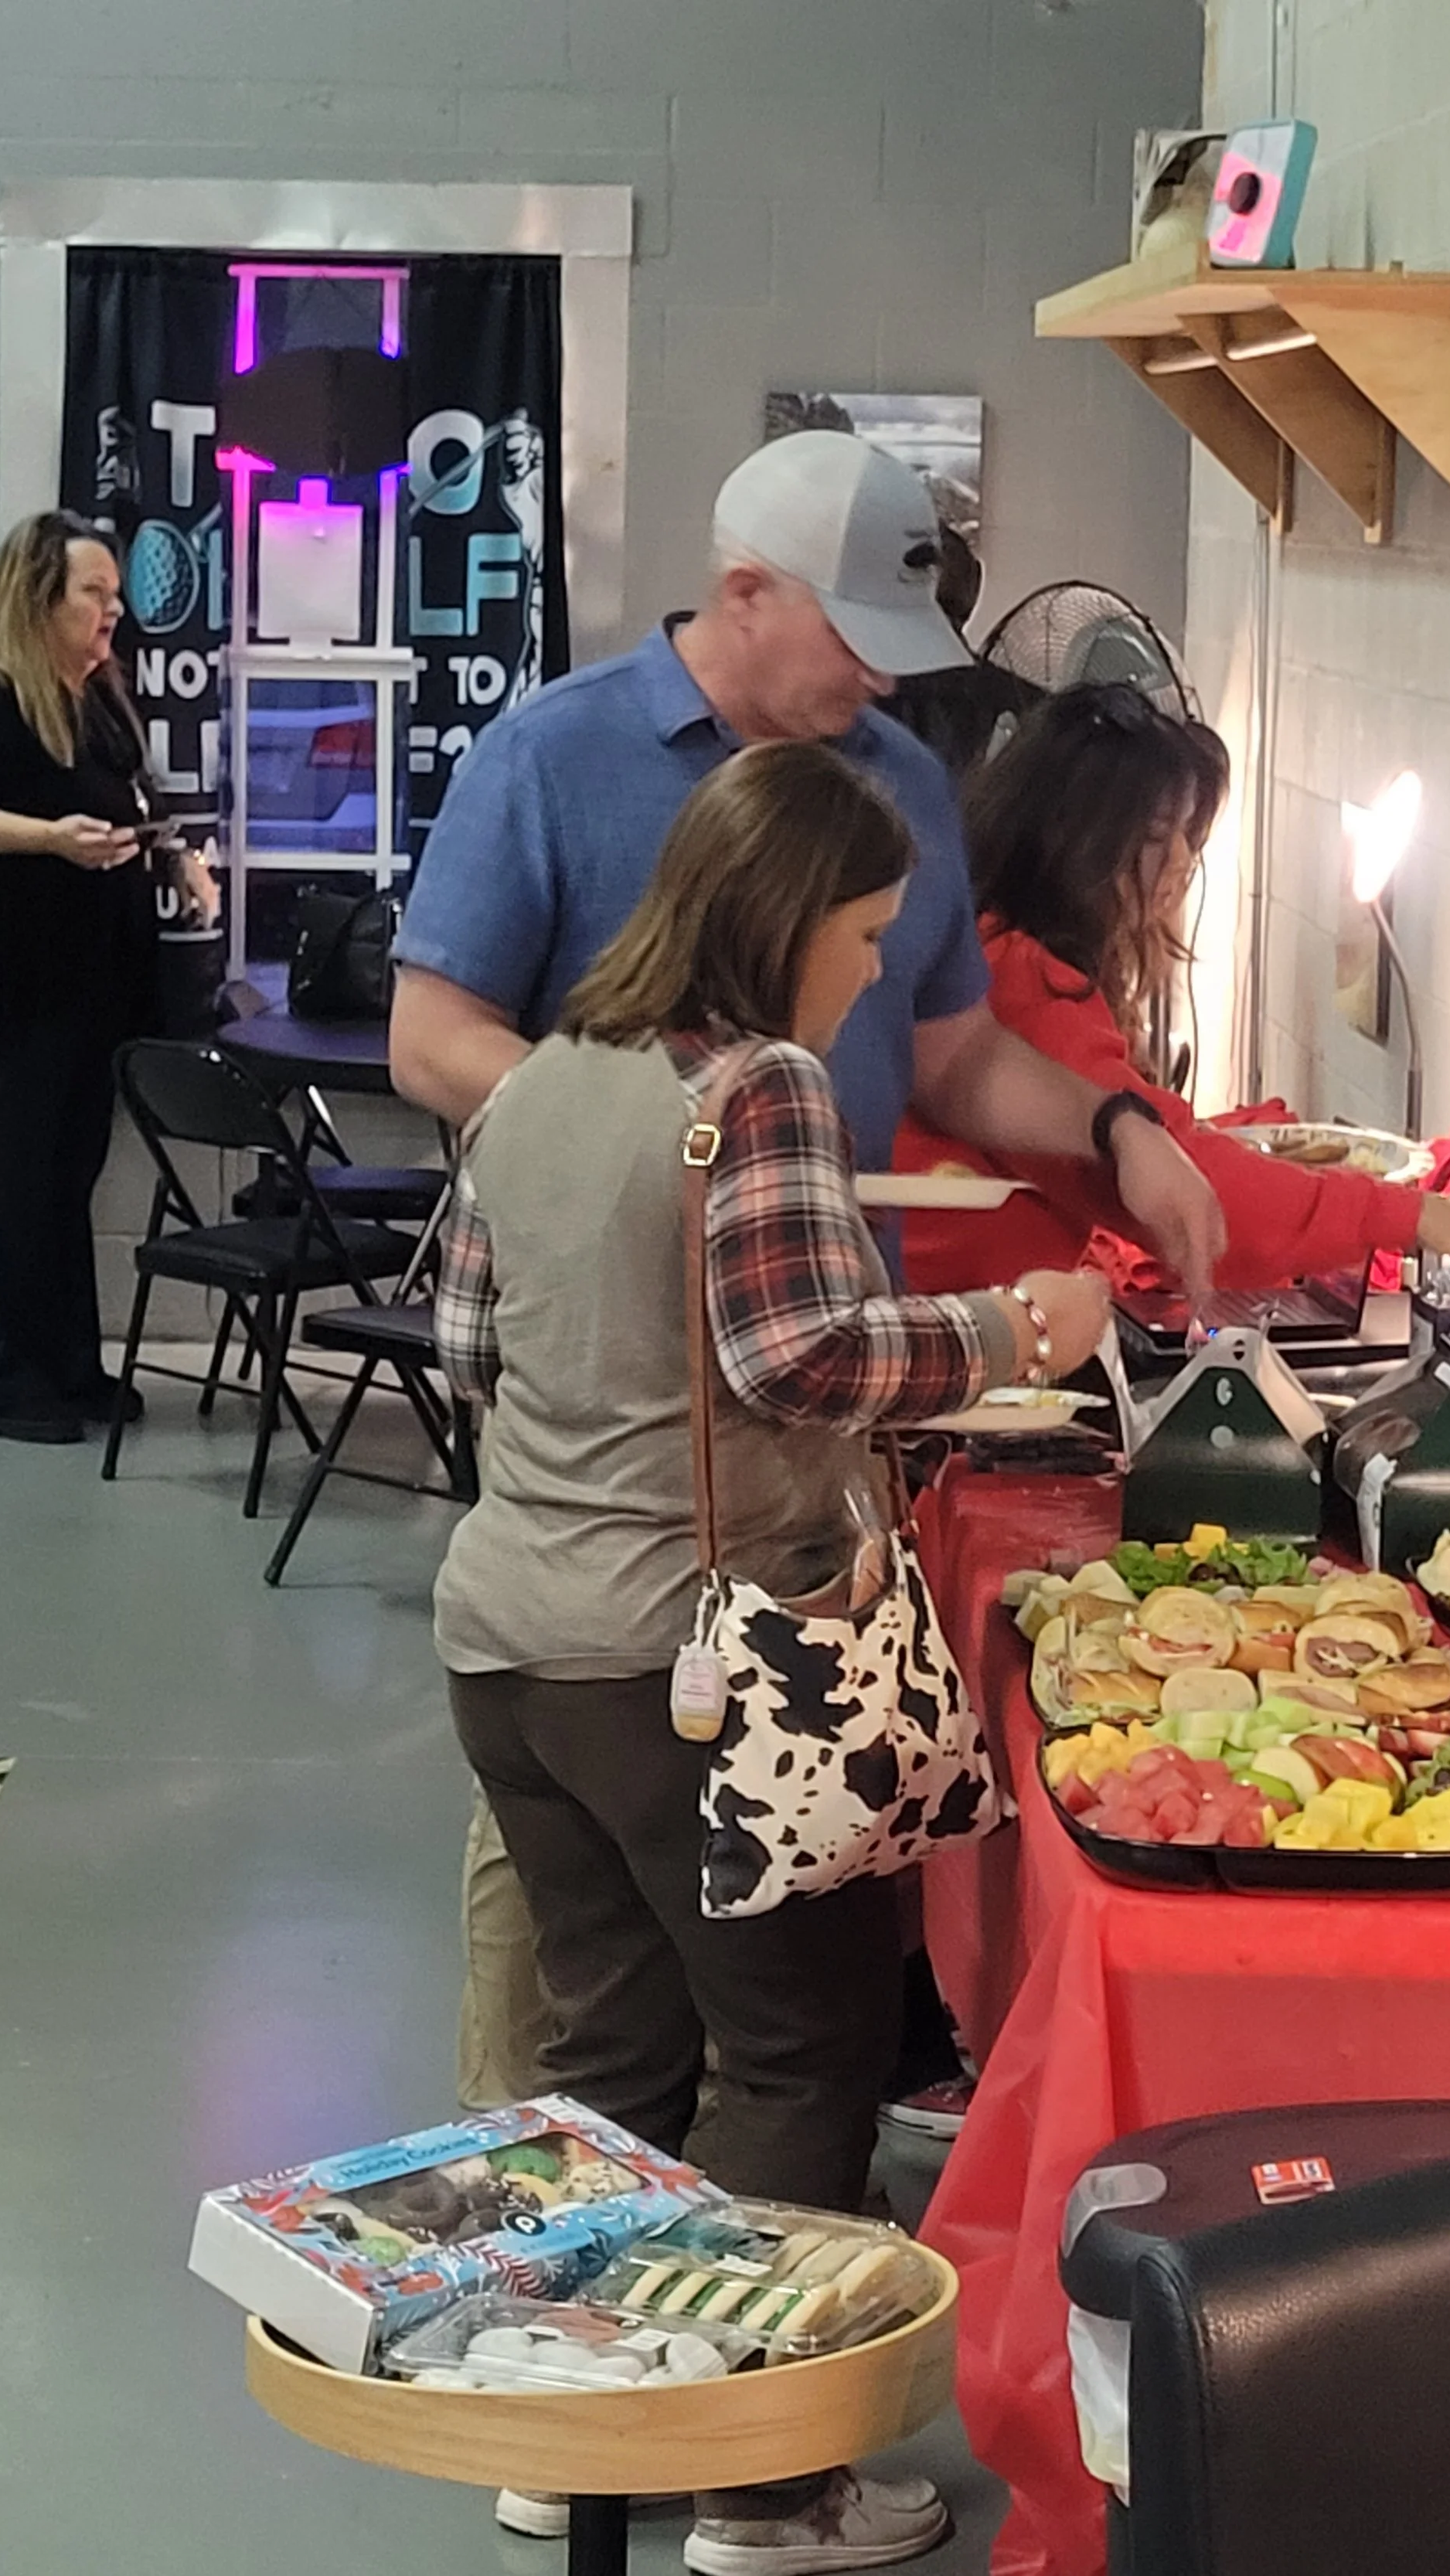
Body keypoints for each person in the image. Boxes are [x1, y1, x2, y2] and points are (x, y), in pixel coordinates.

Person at [392, 430, 1227, 2110]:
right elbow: (432, 1037)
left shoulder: (897, 781)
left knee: (669, 1925)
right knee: (642, 1970)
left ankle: (599, 2289)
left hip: (728, 1479)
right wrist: (674, 1182)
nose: (874, 678)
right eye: (845, 635)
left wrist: (1124, 1123)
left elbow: (958, 1059)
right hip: (653, 1454)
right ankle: (562, 2220)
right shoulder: (555, 762)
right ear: (740, 590)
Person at [434, 742, 1109, 2573]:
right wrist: (1012, 1325)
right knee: (793, 2055)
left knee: (608, 2050)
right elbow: (800, 1359)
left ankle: (575, 2433)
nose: (878, 970)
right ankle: (765, 2483)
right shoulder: (761, 1090)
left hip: (509, 1643)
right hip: (698, 1659)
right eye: (870, 931)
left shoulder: (539, 1083)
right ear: (788, 917)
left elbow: (470, 1341)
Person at [894, 686, 1450, 1303]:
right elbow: (1192, 1194)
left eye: (1187, 837)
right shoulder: (1024, 979)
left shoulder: (999, 948)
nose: (1181, 862)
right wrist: (1414, 1216)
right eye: (1155, 837)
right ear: (1078, 840)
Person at [0, 511, 209, 1444]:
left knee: (70, 1172)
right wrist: (48, 840)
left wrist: (176, 860)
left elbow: (131, 807)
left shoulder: (100, 697)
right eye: (94, 593)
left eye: (115, 595)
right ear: (41, 597)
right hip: (19, 981)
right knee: (18, 1170)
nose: (112, 610)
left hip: (95, 981)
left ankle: (69, 1366)